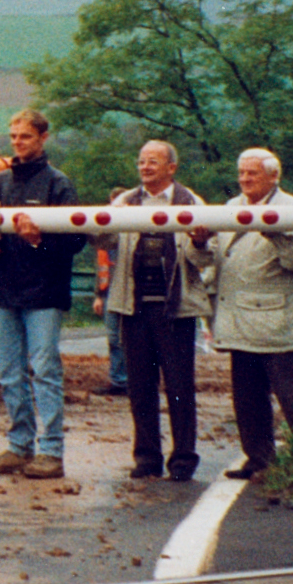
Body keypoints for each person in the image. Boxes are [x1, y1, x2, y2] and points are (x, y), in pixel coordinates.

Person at [202, 147, 293, 480]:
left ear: (273, 176)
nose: (244, 179)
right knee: (247, 396)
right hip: (237, 319)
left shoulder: (291, 208)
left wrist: (276, 231)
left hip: (276, 321)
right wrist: (200, 244)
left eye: (251, 173)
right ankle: (258, 459)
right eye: (241, 173)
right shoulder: (230, 208)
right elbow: (213, 257)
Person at [0, 110, 83, 480]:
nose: (18, 142)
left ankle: (51, 450)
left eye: (25, 136)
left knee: (45, 370)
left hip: (45, 291)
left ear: (42, 139)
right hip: (7, 289)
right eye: (14, 136)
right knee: (8, 371)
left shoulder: (59, 185)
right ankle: (19, 445)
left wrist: (41, 241)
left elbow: (75, 240)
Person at [96, 142, 213, 481]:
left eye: (153, 162)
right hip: (133, 307)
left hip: (175, 309)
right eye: (141, 161)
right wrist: (102, 224)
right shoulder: (126, 201)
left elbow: (206, 259)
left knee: (179, 386)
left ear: (171, 167)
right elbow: (101, 240)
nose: (145, 167)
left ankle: (183, 459)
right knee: (140, 387)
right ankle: (146, 457)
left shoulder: (191, 202)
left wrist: (201, 241)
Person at [95, 188, 131, 396]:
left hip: (130, 290)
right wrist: (99, 295)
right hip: (109, 292)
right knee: (114, 338)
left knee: (130, 339)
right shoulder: (106, 235)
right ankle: (119, 380)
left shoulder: (130, 230)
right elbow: (101, 268)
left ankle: (134, 380)